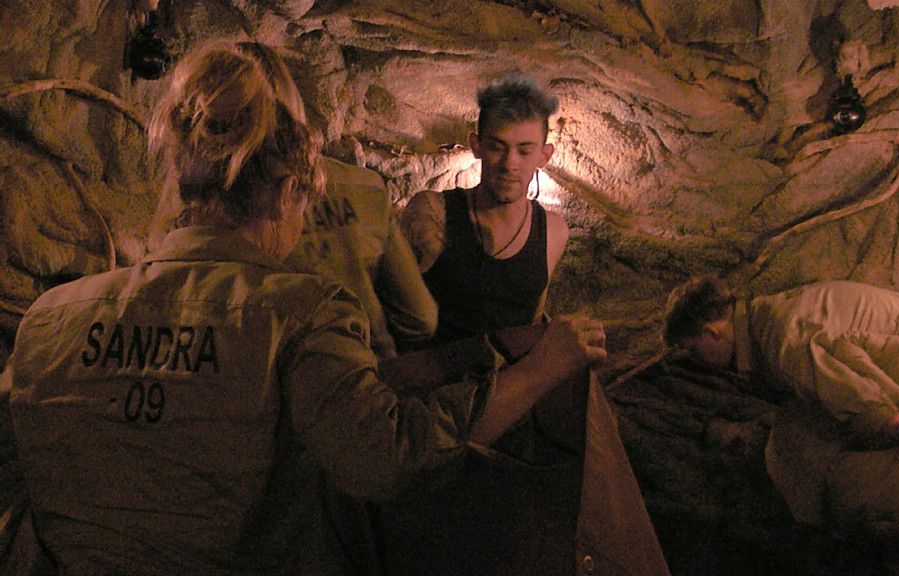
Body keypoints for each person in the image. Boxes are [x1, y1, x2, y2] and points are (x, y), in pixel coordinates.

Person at [1, 40, 606, 575]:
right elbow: (393, 460)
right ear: (290, 190)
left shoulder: (50, 318)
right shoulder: (301, 313)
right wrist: (540, 370)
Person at [664, 275, 899, 573]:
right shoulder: (767, 319)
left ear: (712, 331)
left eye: (693, 349)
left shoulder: (784, 345)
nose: (698, 361)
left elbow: (884, 418)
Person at [400, 72, 569, 344]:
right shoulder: (431, 215)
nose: (510, 164)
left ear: (544, 156)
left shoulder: (553, 231)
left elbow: (532, 321)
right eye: (497, 147)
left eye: (524, 151)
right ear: (476, 146)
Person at [288, 154, 436, 358]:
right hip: (373, 359)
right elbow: (421, 318)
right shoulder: (366, 186)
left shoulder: (250, 206)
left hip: (303, 368)